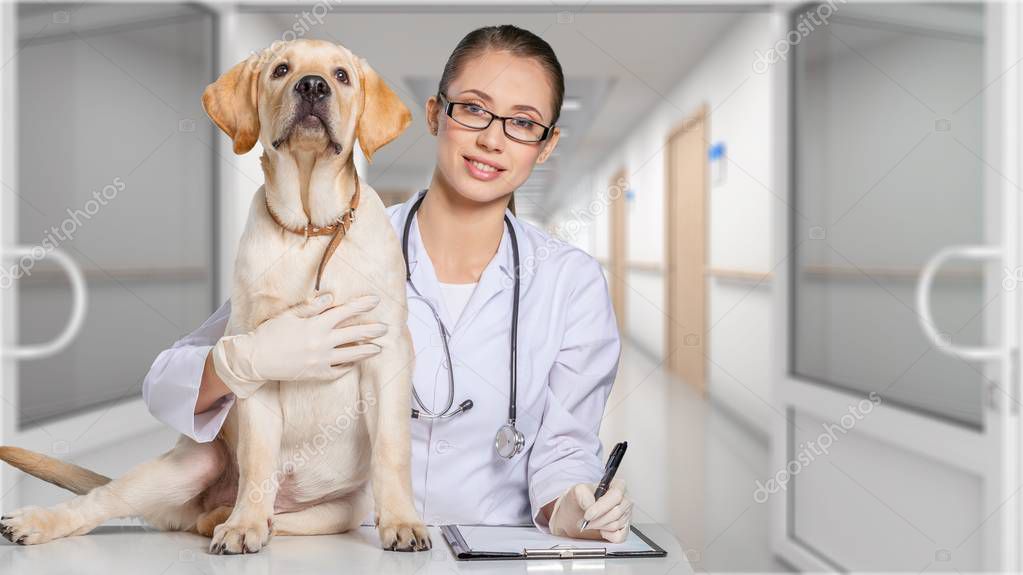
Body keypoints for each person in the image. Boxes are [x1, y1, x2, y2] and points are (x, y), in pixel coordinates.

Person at [142, 24, 633, 543]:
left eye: (524, 123)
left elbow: (565, 450)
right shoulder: (327, 236)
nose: (492, 138)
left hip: (493, 549)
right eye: (472, 108)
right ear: (434, 114)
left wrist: (573, 504)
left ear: (548, 144)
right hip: (344, 547)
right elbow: (164, 383)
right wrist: (240, 362)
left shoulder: (570, 282)